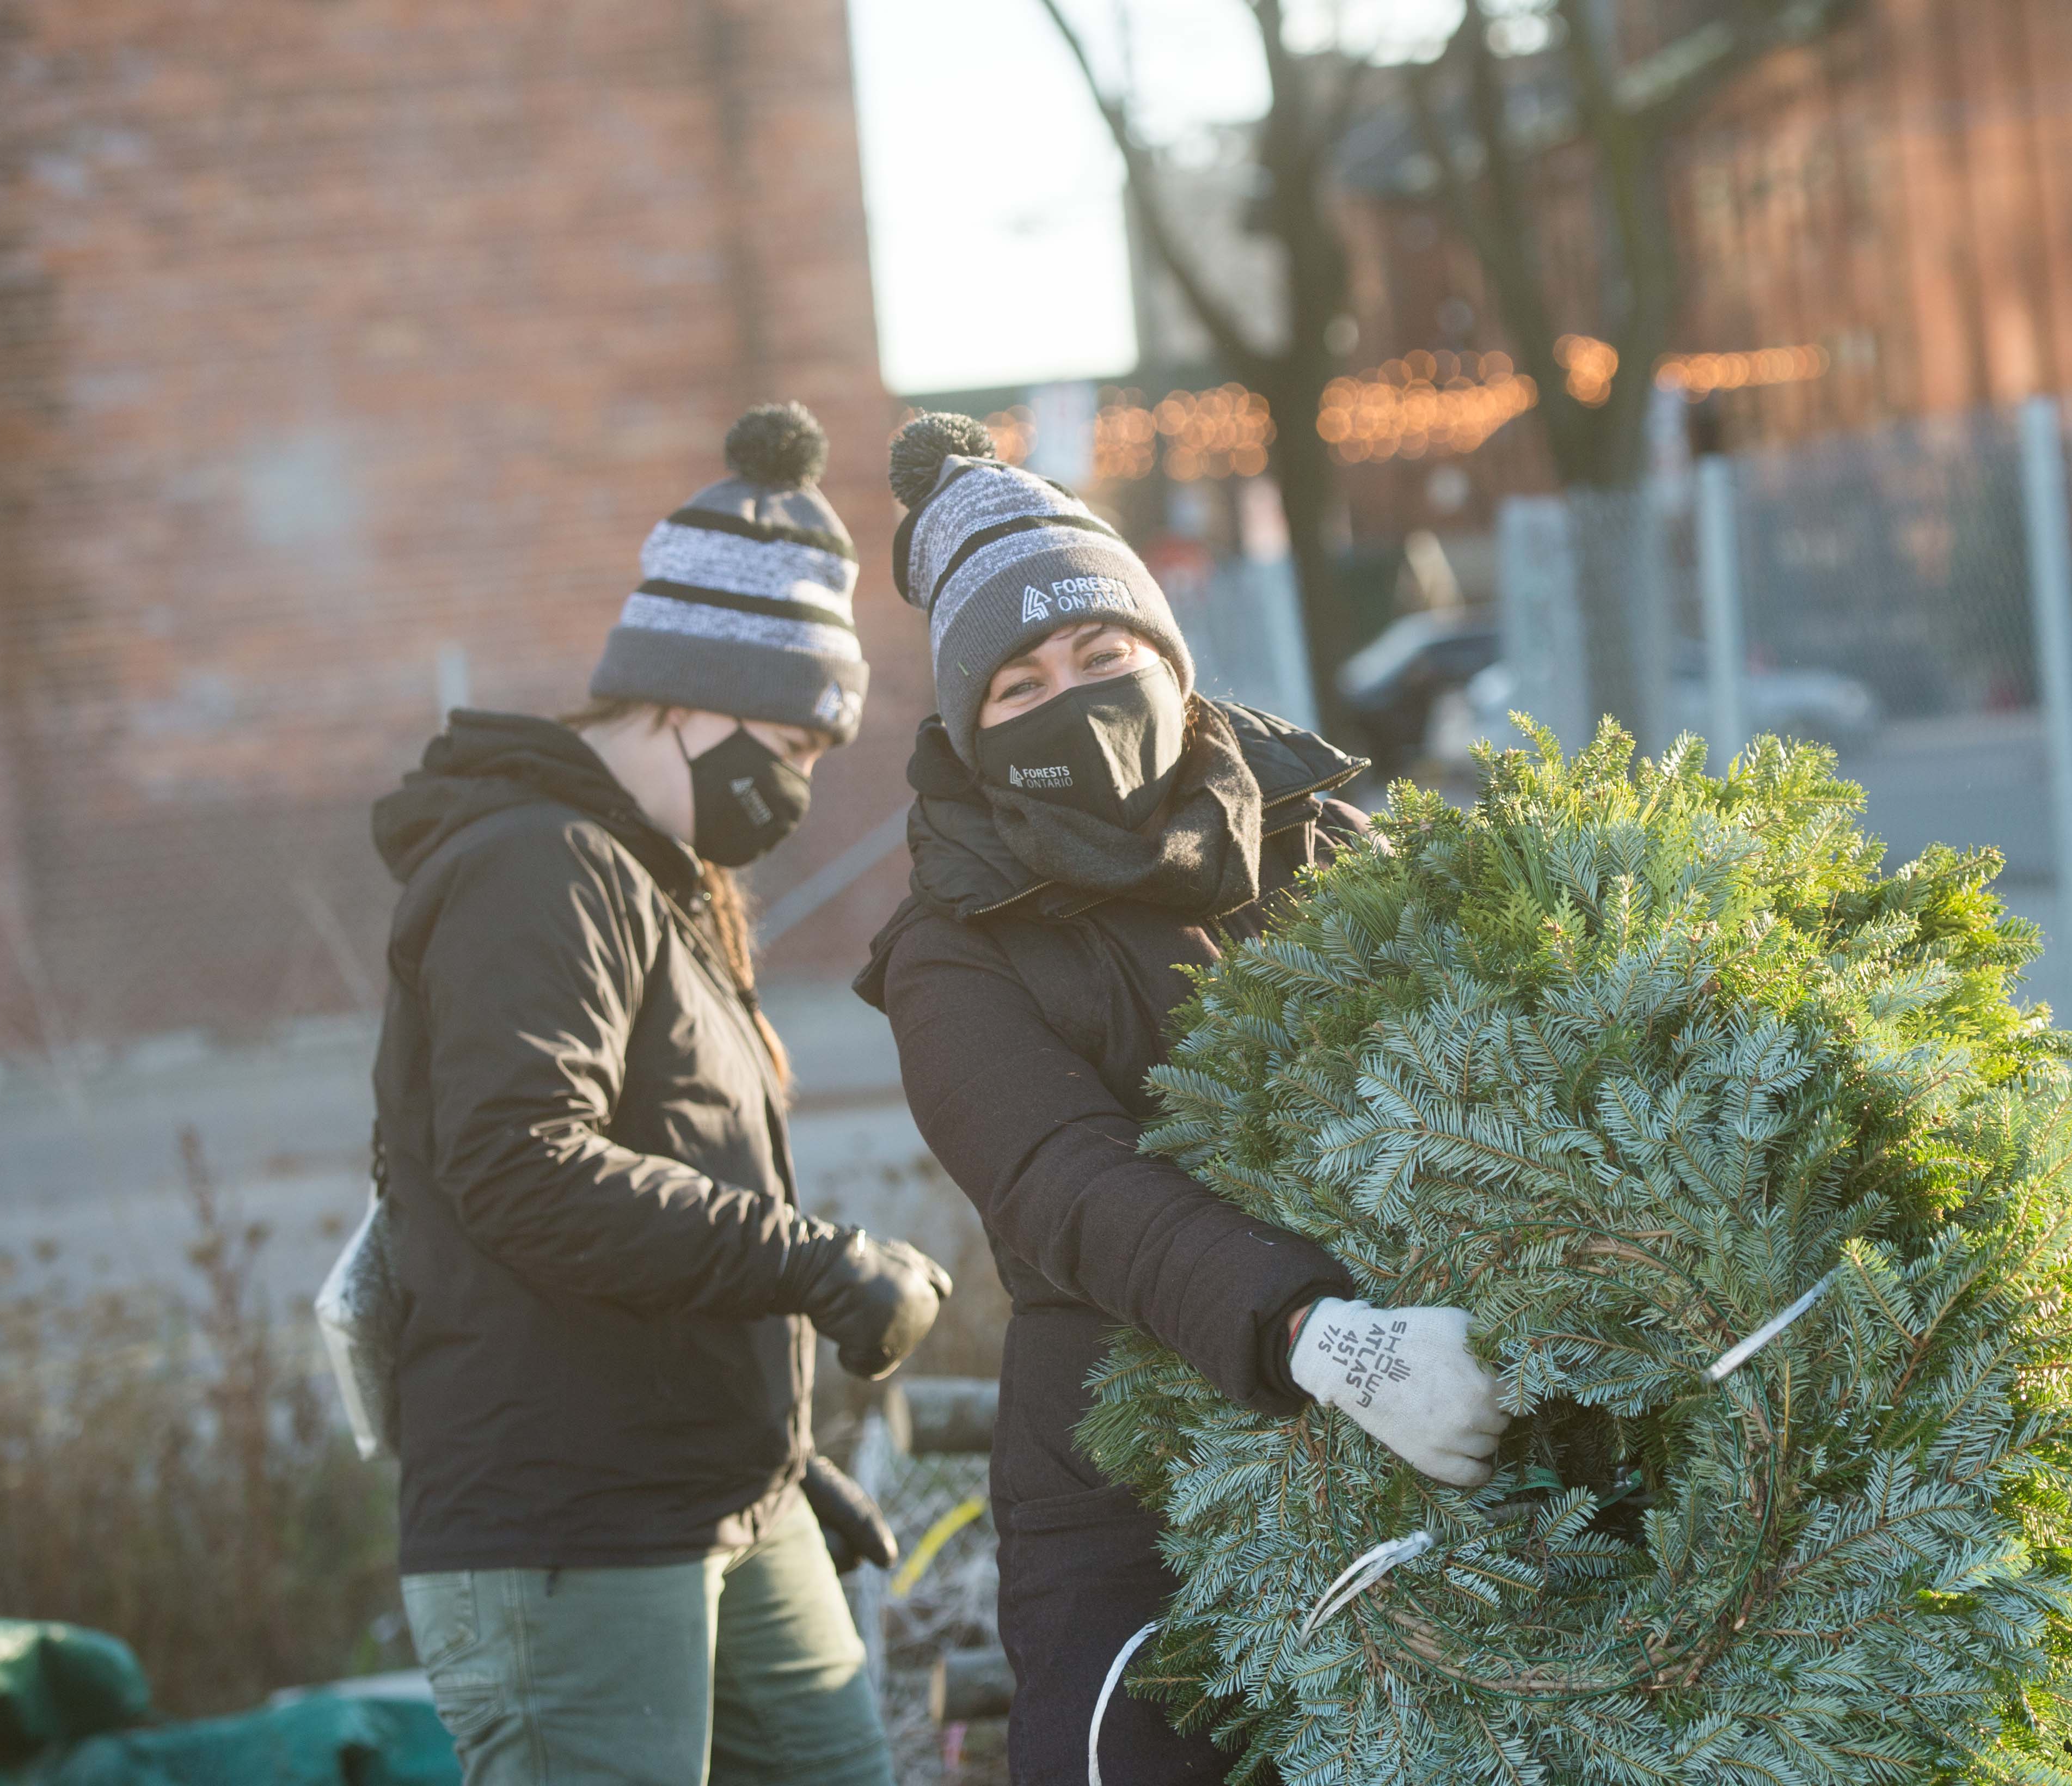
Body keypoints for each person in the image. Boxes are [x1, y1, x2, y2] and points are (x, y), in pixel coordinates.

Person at [855, 414, 1510, 1784]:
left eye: (1104, 654)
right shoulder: (951, 945)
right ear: (970, 730)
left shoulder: (1320, 831)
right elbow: (1060, 1179)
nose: (1077, 697)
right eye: (1021, 682)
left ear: (1165, 651)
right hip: (1126, 1485)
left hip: (1411, 1456)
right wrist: (1322, 1336)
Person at [371, 403, 951, 1786]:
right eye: (797, 742)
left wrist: (777, 1441)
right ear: (689, 692)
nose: (801, 783)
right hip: (572, 1523)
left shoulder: (659, 882)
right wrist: (821, 1267)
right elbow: (526, 1167)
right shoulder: (539, 866)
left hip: (723, 1494)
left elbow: (680, 1178)